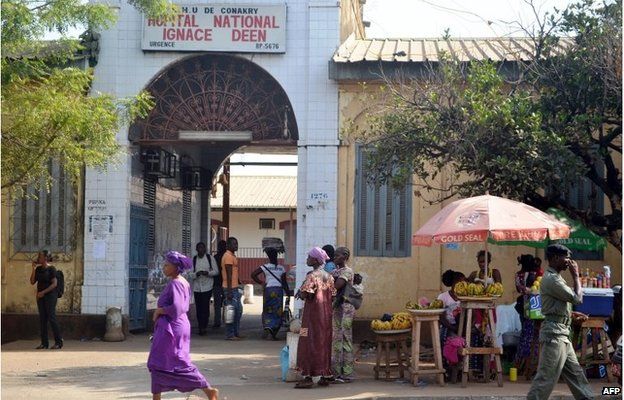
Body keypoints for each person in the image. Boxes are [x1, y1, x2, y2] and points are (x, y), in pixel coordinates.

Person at [147, 251, 218, 400]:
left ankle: (208, 390)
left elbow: (177, 308)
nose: (163, 268)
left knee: (176, 361)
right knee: (160, 361)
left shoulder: (176, 283)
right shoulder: (183, 282)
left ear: (175, 267)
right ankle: (156, 397)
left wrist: (160, 310)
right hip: (174, 326)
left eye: (166, 265)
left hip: (172, 328)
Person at [526, 244, 594, 400]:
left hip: (562, 333)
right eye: (566, 258)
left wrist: (570, 314)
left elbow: (557, 305)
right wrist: (576, 275)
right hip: (554, 335)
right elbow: (577, 298)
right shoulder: (552, 279)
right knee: (545, 378)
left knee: (576, 375)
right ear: (555, 258)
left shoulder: (556, 277)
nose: (569, 262)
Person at [294, 247, 335, 388]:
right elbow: (333, 295)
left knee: (307, 342)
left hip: (311, 317)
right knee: (323, 343)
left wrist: (300, 293)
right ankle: (324, 375)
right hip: (326, 316)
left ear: (316, 260)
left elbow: (307, 294)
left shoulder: (312, 276)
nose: (307, 259)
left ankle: (308, 377)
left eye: (309, 257)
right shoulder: (329, 276)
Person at [251, 247, 289, 340]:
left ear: (268, 256)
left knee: (268, 309)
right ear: (277, 256)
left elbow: (253, 275)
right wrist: (288, 292)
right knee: (278, 311)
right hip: (278, 291)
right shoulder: (281, 268)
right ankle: (274, 332)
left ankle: (267, 327)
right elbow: (284, 283)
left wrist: (261, 283)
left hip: (268, 290)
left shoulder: (265, 267)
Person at [331, 246, 356, 383]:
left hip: (346, 309)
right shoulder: (335, 271)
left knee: (346, 339)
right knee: (336, 340)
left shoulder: (347, 271)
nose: (334, 258)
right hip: (337, 308)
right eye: (334, 255)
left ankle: (347, 373)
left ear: (345, 257)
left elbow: (337, 285)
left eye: (337, 256)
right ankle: (335, 372)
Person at [514, 254, 542, 370]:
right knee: (532, 334)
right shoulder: (536, 274)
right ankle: (530, 363)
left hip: (526, 306)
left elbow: (518, 289)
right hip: (534, 306)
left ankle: (522, 364)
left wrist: (527, 290)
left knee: (526, 333)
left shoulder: (519, 275)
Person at [30, 250, 63, 349]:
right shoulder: (38, 269)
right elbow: (32, 282)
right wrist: (33, 269)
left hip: (50, 296)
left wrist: (43, 292)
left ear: (45, 258)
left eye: (40, 256)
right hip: (40, 297)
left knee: (52, 318)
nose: (38, 258)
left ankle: (58, 342)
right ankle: (44, 343)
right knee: (42, 319)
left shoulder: (51, 269)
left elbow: (54, 284)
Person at [190, 242, 219, 335]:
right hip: (197, 288)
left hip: (207, 287)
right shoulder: (194, 260)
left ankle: (204, 326)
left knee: (205, 307)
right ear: (196, 249)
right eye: (199, 248)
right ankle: (200, 326)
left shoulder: (210, 258)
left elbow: (216, 271)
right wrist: (196, 274)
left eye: (202, 248)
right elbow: (189, 274)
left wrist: (207, 273)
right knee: (199, 308)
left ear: (205, 249)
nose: (201, 250)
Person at [221, 237, 243, 340]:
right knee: (231, 312)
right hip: (230, 289)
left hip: (235, 288)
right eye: (234, 244)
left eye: (237, 243)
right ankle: (230, 334)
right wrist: (229, 291)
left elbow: (234, 272)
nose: (236, 246)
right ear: (228, 245)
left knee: (238, 311)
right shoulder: (228, 256)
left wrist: (238, 281)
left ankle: (236, 332)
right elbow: (229, 275)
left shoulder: (232, 256)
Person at [212, 240, 227, 329]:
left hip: (217, 282)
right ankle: (225, 320)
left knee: (217, 304)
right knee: (225, 303)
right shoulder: (227, 256)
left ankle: (217, 321)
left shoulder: (216, 257)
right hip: (222, 282)